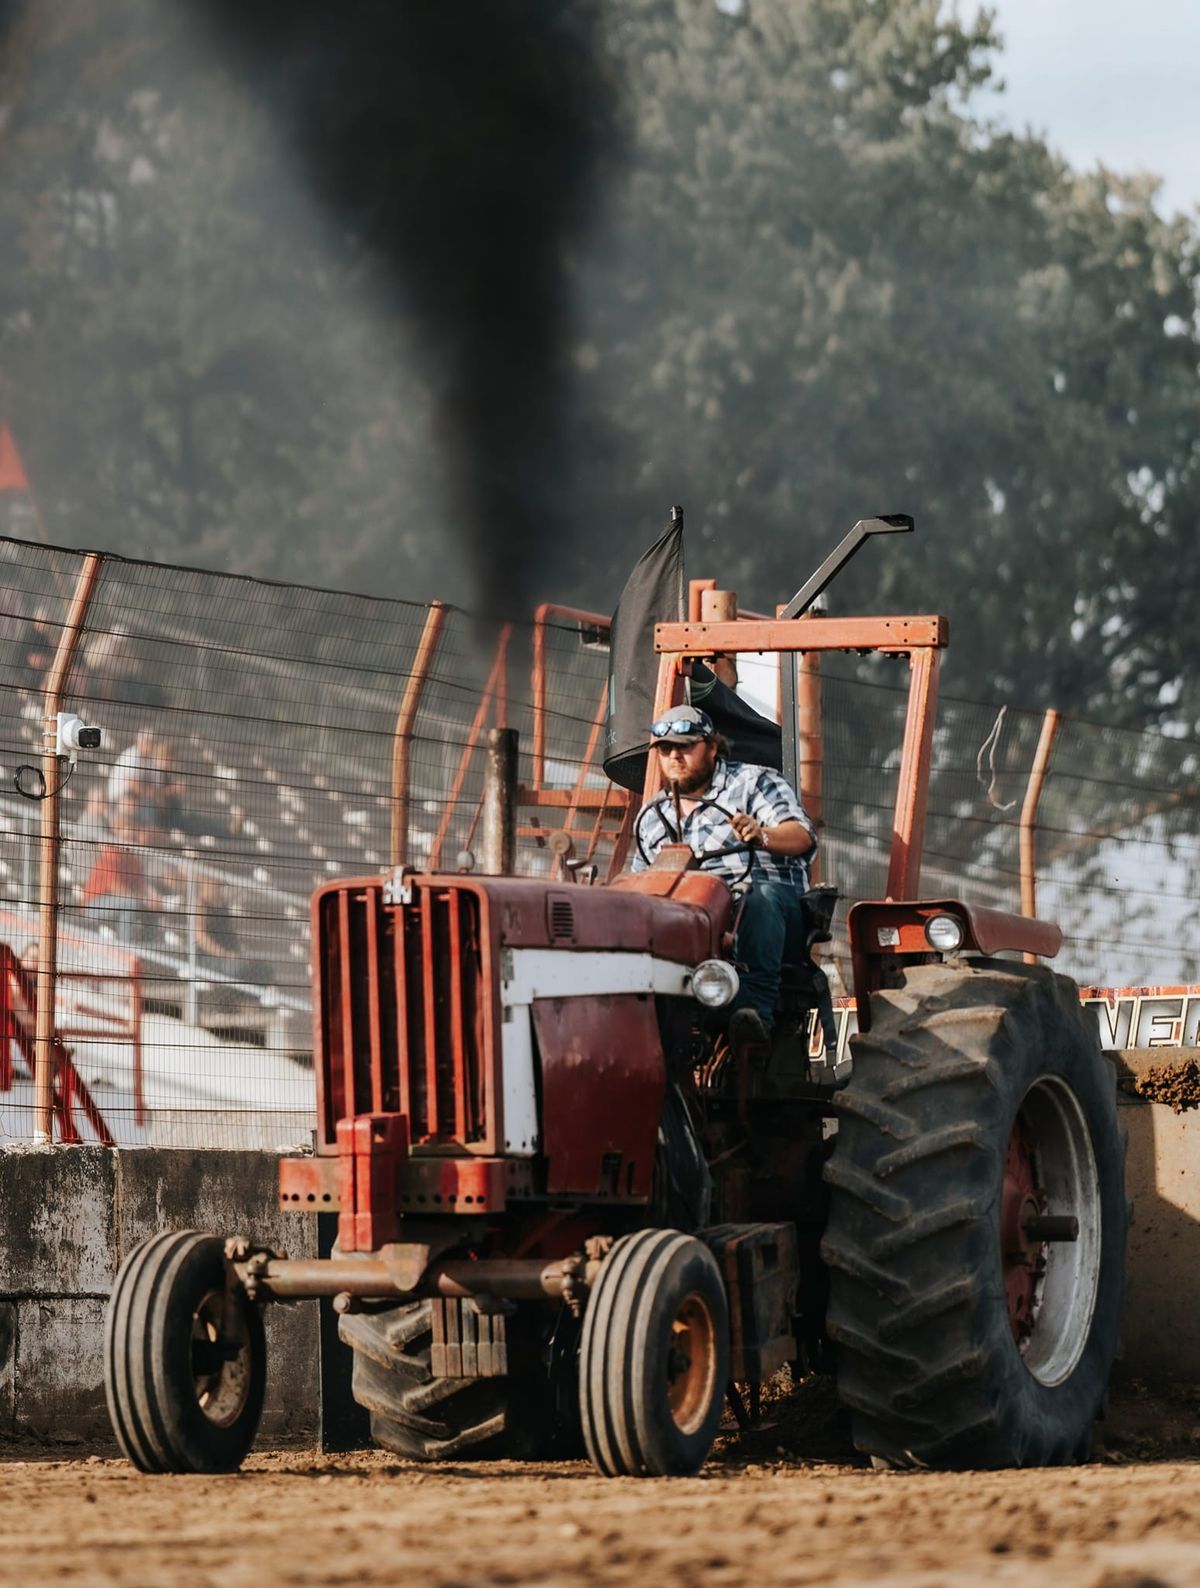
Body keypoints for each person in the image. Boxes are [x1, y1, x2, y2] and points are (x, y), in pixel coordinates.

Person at [630, 704, 816, 1047]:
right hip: (690, 920)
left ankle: (753, 1012)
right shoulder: (653, 814)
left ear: (712, 747)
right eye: (666, 750)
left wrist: (762, 835)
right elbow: (639, 878)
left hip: (761, 914)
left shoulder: (754, 782)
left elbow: (801, 835)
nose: (674, 756)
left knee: (762, 897)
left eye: (685, 747)